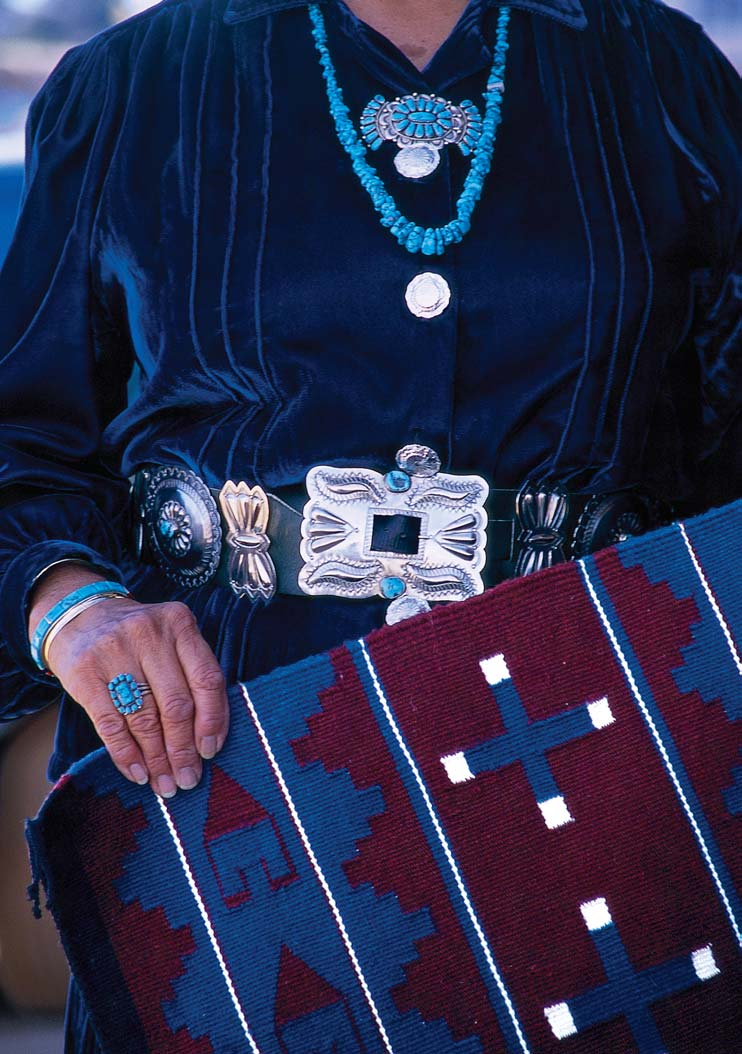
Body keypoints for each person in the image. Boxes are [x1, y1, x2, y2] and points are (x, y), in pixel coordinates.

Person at [0, 0, 740, 1048]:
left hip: (599, 787)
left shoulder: (661, 74)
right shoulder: (129, 84)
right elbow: (22, 442)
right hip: (230, 791)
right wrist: (71, 607)